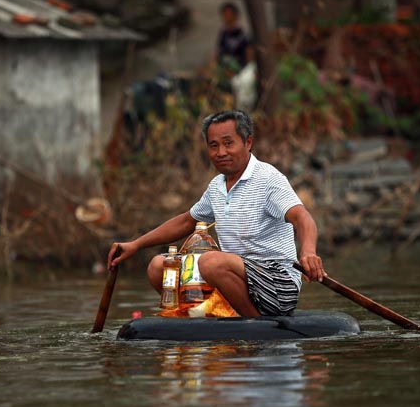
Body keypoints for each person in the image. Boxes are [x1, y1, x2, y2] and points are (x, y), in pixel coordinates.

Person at [107, 110, 326, 318]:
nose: (221, 152)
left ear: (248, 142)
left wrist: (308, 252)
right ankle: (189, 318)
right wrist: (135, 244)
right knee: (158, 266)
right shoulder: (217, 186)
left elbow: (302, 217)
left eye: (228, 143)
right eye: (214, 145)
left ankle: (255, 323)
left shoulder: (268, 179)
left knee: (212, 262)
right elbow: (186, 221)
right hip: (237, 281)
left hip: (277, 284)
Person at [216, 2, 251, 71]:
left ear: (235, 15)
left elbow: (249, 52)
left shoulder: (241, 34)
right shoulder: (224, 34)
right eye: (224, 14)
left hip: (238, 67)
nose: (225, 17)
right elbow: (219, 52)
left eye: (228, 14)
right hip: (225, 66)